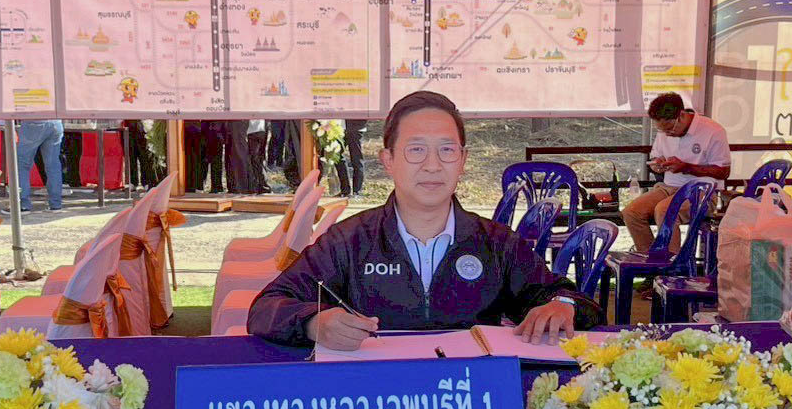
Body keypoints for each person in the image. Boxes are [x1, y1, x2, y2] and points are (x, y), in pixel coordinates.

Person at [249, 90, 601, 350]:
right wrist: (313, 323)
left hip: (471, 402)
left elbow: (570, 298)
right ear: (388, 160)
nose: (433, 165)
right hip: (379, 403)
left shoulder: (497, 243)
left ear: (462, 160)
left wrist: (563, 306)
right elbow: (266, 307)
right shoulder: (349, 242)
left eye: (446, 150)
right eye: (416, 150)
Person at [620, 93, 730, 255]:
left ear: (681, 115)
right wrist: (657, 165)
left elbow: (724, 172)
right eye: (662, 130)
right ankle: (650, 261)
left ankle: (672, 265)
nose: (667, 134)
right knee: (631, 213)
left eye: (670, 129)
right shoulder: (665, 130)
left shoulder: (713, 131)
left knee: (665, 210)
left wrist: (686, 167)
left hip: (702, 191)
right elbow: (656, 157)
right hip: (668, 186)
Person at [15, 118, 65, 211]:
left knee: (21, 165)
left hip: (34, 121)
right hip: (56, 121)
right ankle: (56, 204)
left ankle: (22, 204)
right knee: (53, 165)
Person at [336, 118, 367, 197]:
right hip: (339, 127)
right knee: (337, 156)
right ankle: (345, 190)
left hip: (356, 127)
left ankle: (357, 191)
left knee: (356, 159)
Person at [245, 119, 269, 194]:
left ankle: (257, 186)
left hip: (252, 130)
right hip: (261, 128)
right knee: (260, 158)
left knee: (253, 159)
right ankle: (263, 185)